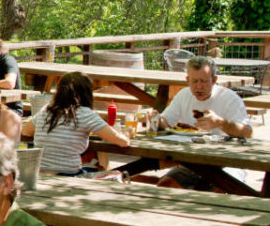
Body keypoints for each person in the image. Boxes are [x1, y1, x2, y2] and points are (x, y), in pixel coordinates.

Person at [153, 55, 253, 189]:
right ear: (187, 80)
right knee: (165, 187)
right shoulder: (184, 95)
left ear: (214, 80)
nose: (199, 86)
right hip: (194, 162)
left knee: (223, 193)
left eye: (204, 81)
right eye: (194, 81)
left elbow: (248, 133)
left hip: (228, 162)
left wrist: (220, 122)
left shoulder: (229, 98)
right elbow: (165, 122)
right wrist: (155, 118)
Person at [21, 72, 129, 176]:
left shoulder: (47, 109)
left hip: (39, 173)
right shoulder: (85, 113)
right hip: (67, 173)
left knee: (92, 165)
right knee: (100, 169)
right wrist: (128, 134)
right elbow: (122, 141)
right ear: (86, 93)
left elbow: (25, 131)